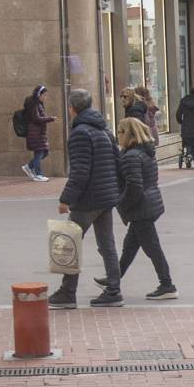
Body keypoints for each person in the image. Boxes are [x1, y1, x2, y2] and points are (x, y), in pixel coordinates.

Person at [49, 89, 123, 309]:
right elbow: (116, 163)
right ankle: (114, 290)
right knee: (107, 245)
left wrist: (66, 199)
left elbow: (80, 171)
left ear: (72, 108)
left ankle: (67, 292)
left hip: (88, 200)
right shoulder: (104, 130)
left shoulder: (80, 133)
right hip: (105, 197)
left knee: (70, 244)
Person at [93, 117, 176, 300]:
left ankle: (167, 284)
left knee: (152, 248)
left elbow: (134, 187)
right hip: (148, 204)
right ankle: (114, 278)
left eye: (120, 132)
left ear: (128, 134)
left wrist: (121, 203)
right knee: (130, 246)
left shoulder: (132, 156)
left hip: (142, 209)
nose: (118, 136)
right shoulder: (144, 152)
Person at [21, 84, 56, 182]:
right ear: (38, 94)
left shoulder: (38, 104)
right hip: (35, 133)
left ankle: (28, 167)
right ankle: (38, 174)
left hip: (39, 133)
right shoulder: (34, 104)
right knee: (40, 152)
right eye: (44, 95)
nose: (45, 97)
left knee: (44, 152)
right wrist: (50, 118)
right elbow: (36, 118)